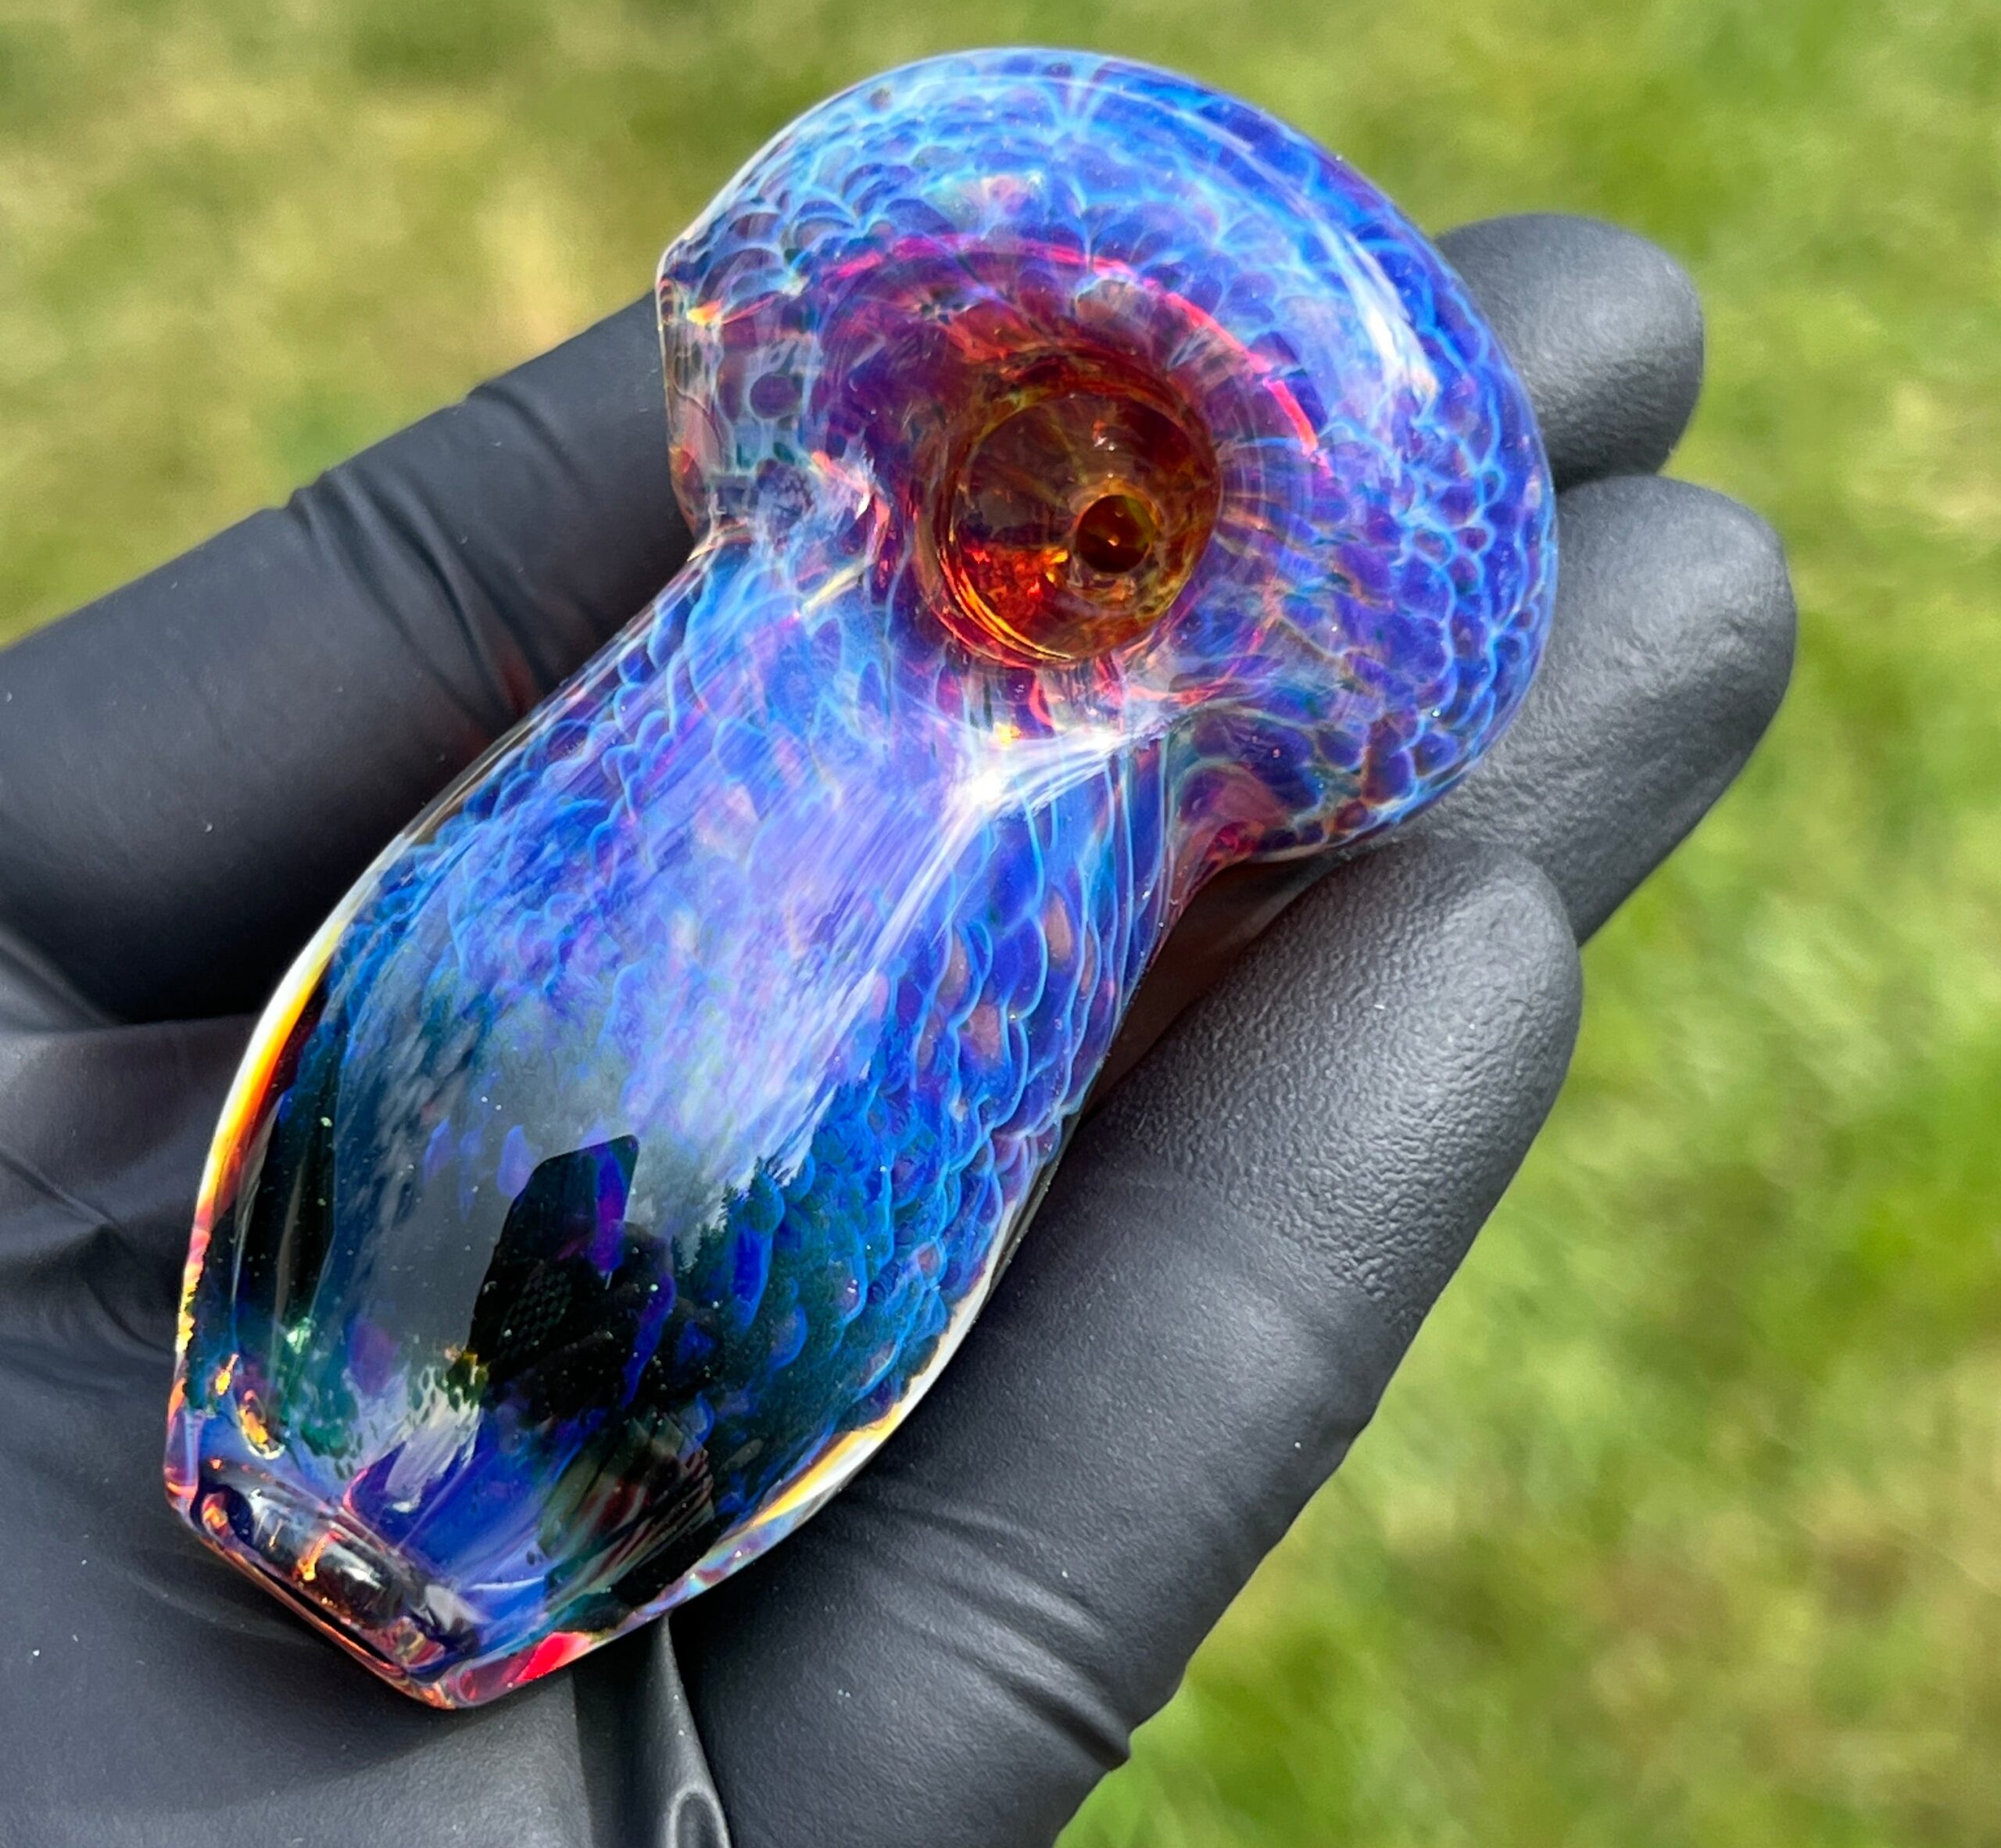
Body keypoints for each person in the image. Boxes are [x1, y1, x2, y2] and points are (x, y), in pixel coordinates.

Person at [0, 211, 1792, 1847]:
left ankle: (456, 1492)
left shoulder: (1151, 744)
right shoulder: (841, 524)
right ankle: (340, 1427)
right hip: (377, 1267)